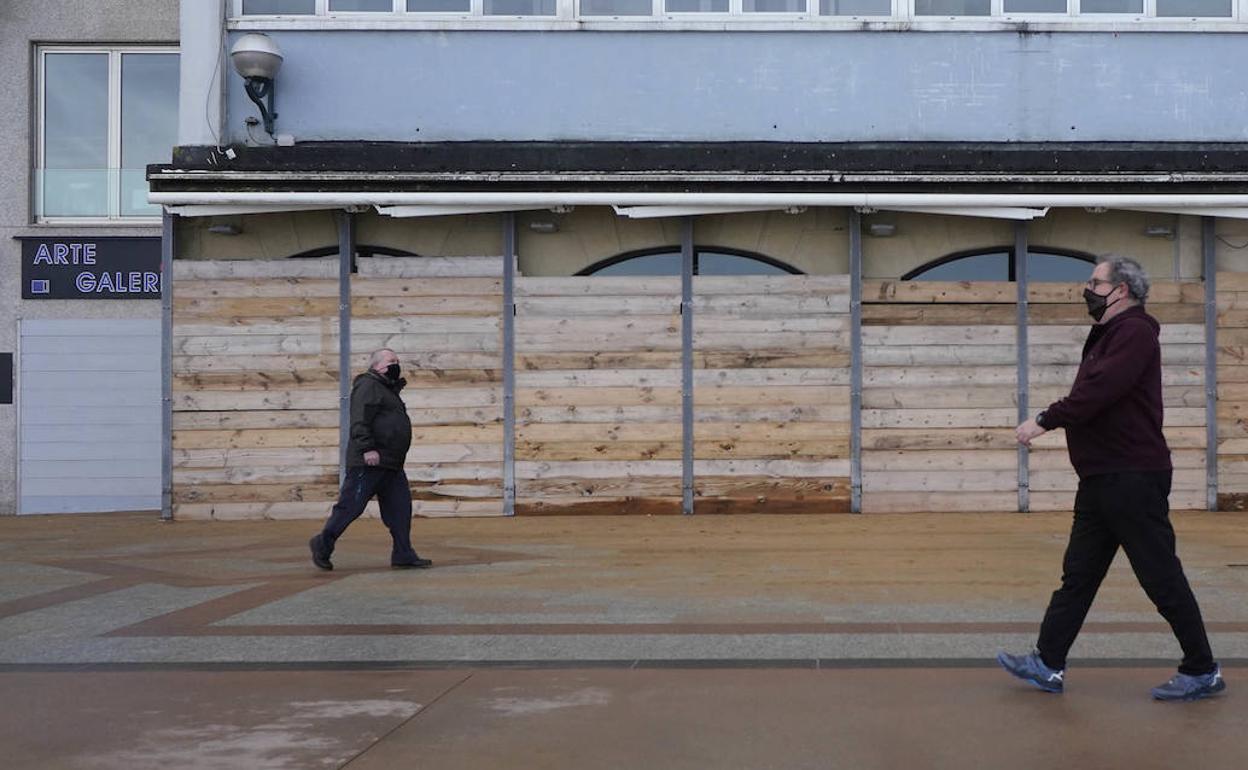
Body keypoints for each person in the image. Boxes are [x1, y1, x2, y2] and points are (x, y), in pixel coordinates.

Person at [999, 256, 1225, 701]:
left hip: (1132, 476)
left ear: (1120, 289)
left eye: (1094, 281)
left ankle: (1202, 669)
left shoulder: (1135, 333)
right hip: (1103, 477)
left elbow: (1099, 390)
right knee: (1078, 575)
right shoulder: (1111, 333)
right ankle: (1048, 663)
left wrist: (1046, 419)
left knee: (1160, 576)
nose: (1087, 289)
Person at [309, 348, 432, 571]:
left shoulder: (387, 389)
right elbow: (359, 419)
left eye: (396, 360)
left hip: (392, 463)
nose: (395, 364)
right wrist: (367, 448)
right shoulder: (368, 385)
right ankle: (323, 543)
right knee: (351, 506)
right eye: (390, 361)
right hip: (369, 461)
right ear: (376, 366)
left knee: (400, 510)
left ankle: (403, 553)